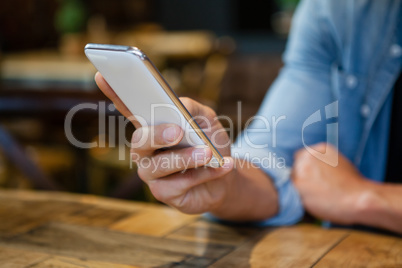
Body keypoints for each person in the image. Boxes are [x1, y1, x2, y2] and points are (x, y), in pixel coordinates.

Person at [95, 0, 402, 234]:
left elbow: (341, 192)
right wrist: (224, 186)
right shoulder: (335, 11)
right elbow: (270, 157)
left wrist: (367, 198)